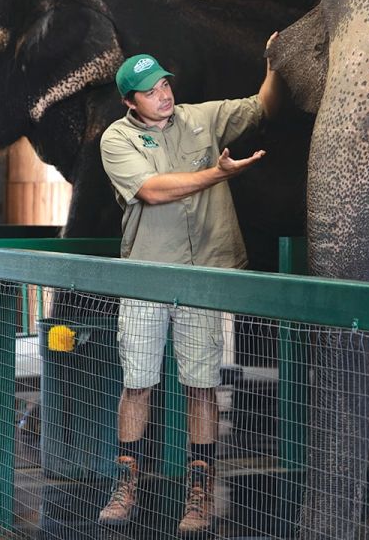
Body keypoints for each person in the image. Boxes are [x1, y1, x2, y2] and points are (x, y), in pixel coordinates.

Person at [97, 43, 285, 534]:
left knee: (201, 384)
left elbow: (261, 106)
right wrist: (217, 174)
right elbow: (153, 191)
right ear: (129, 103)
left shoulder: (201, 119)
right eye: (150, 91)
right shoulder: (116, 139)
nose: (163, 94)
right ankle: (127, 481)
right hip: (146, 275)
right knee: (137, 382)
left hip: (202, 273)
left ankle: (200, 490)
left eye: (164, 84)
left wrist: (275, 63)